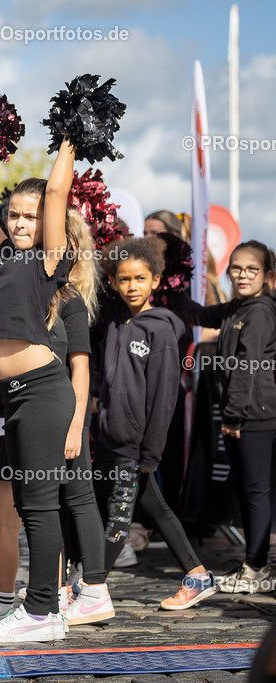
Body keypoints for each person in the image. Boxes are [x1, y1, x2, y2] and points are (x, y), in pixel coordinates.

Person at [0, 218, 113, 632]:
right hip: (17, 413)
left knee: (67, 502)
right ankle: (23, 603)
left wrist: (76, 426)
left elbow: (79, 369)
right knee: (25, 509)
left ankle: (72, 595)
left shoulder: (70, 300)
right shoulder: (21, 286)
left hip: (57, 415)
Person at [0, 137, 75, 643]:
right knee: (30, 505)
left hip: (45, 391)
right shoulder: (3, 258)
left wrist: (72, 134)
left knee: (40, 503)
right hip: (17, 396)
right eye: (13, 215)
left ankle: (43, 612)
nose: (18, 223)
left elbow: (56, 190)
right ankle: (41, 612)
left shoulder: (49, 260)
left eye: (29, 217)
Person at [96, 238, 217, 609]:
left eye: (140, 278)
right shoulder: (115, 320)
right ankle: (197, 576)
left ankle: (90, 587)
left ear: (156, 280)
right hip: (113, 439)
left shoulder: (161, 330)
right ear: (113, 282)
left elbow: (165, 397)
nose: (132, 286)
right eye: (124, 279)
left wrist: (150, 453)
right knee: (157, 508)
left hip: (137, 446)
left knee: (119, 517)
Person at [169, 241, 276, 594]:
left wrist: (232, 416)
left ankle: (258, 568)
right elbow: (199, 315)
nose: (243, 275)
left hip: (255, 418)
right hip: (242, 417)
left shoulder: (260, 312)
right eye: (237, 268)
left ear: (267, 275)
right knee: (246, 493)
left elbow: (248, 368)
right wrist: (173, 280)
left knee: (255, 492)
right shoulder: (237, 308)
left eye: (252, 270)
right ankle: (253, 563)